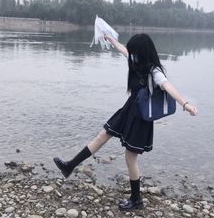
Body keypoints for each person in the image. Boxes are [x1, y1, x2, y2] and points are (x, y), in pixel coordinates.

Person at [53, 33, 198, 211]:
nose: (130, 54)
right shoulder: (135, 61)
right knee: (102, 135)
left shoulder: (154, 71)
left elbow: (168, 86)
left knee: (130, 158)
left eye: (134, 51)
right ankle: (69, 166)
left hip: (140, 117)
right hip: (129, 109)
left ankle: (137, 200)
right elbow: (123, 49)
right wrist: (111, 39)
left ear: (142, 52)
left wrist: (185, 104)